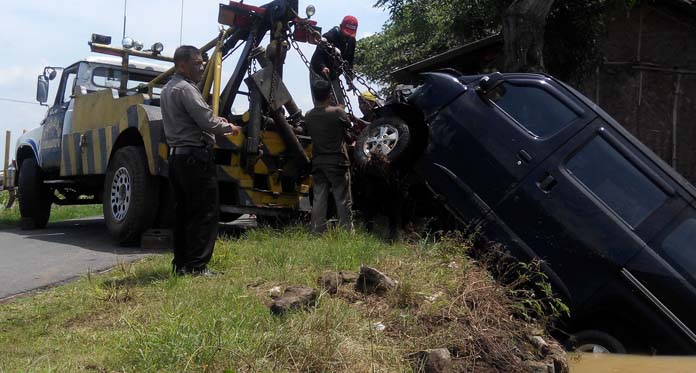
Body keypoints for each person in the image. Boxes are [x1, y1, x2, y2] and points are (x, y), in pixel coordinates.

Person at [161, 45, 240, 276]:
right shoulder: (186, 89)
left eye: (203, 62)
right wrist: (229, 127)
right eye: (197, 62)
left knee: (184, 213)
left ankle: (181, 265)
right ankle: (197, 266)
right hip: (195, 159)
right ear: (182, 65)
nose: (202, 66)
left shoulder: (168, 88)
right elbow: (207, 122)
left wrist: (214, 121)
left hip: (178, 159)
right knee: (204, 213)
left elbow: (195, 119)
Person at [305, 80, 354, 233]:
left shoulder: (309, 115)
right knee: (342, 198)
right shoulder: (337, 112)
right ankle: (347, 232)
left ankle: (317, 231)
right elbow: (349, 129)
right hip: (337, 162)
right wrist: (340, 109)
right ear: (329, 94)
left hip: (318, 162)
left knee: (319, 198)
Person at [309, 15, 358, 106]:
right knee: (322, 104)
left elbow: (349, 61)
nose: (346, 36)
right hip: (318, 72)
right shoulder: (329, 37)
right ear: (340, 26)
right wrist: (322, 67)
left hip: (333, 74)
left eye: (349, 34)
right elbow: (317, 57)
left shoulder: (351, 41)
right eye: (345, 33)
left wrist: (349, 79)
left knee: (340, 104)